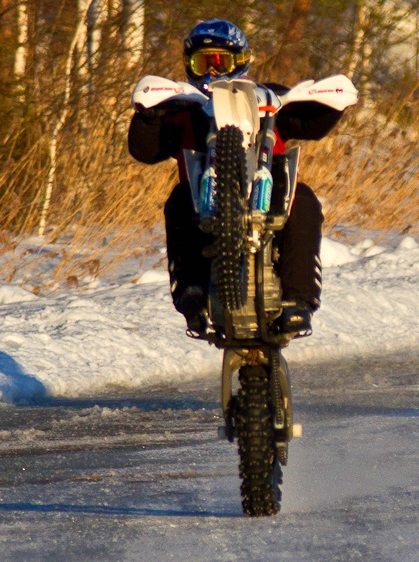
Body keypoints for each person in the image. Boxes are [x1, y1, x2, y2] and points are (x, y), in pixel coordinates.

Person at [128, 19, 345, 334]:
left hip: (270, 190)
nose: (212, 72)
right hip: (200, 199)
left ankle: (298, 301)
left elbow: (308, 125)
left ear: (241, 61)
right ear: (189, 66)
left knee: (304, 199)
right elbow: (146, 151)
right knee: (177, 200)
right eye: (203, 63)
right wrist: (148, 116)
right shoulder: (184, 106)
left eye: (221, 62)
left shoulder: (268, 97)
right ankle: (192, 294)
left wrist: (331, 104)